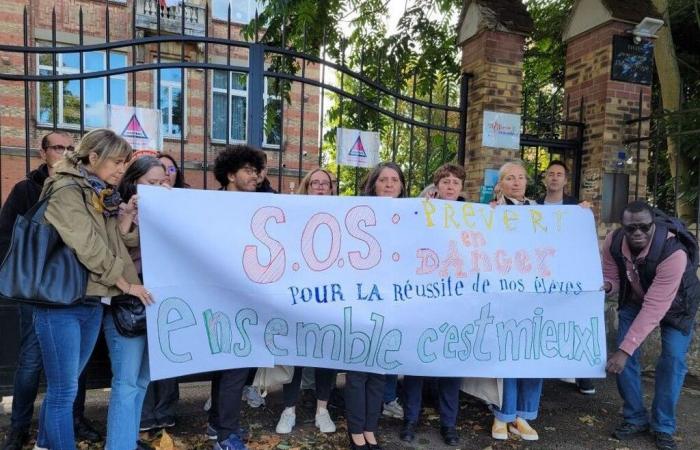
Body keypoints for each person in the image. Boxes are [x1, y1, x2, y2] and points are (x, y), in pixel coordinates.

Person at [35, 128, 152, 450]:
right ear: (93, 157)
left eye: (125, 163)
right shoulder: (65, 189)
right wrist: (127, 284)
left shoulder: (97, 191)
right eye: (117, 162)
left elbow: (114, 242)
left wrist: (128, 218)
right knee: (63, 391)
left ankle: (44, 443)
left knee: (65, 386)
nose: (121, 170)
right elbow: (87, 245)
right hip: (60, 301)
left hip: (89, 300)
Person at [0, 132, 101, 450]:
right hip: (39, 289)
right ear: (43, 152)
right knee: (30, 360)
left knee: (72, 370)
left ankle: (72, 421)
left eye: (71, 147)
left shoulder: (88, 188)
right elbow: (8, 236)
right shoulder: (27, 188)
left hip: (77, 288)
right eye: (58, 147)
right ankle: (19, 426)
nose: (65, 152)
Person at [603, 200, 699, 450]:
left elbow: (655, 307)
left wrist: (625, 351)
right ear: (622, 226)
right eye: (631, 228)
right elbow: (611, 275)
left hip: (677, 307)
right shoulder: (613, 241)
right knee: (625, 362)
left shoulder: (673, 252)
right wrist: (606, 286)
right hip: (634, 299)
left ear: (653, 224)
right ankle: (634, 417)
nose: (638, 233)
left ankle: (663, 425)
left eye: (644, 227)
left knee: (673, 360)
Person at [102, 157, 166, 449]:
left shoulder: (172, 210)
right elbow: (118, 250)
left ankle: (126, 440)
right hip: (128, 303)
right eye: (152, 183)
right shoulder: (117, 207)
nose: (159, 187)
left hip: (159, 305)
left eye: (163, 181)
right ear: (135, 181)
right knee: (126, 384)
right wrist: (131, 214)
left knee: (141, 382)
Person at [342, 161, 407, 450]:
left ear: (402, 185)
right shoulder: (355, 214)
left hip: (391, 305)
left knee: (380, 373)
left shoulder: (411, 216)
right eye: (384, 179)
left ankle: (371, 427)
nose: (390, 184)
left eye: (395, 179)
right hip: (359, 302)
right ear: (373, 184)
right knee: (357, 373)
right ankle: (356, 429)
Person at [400, 163, 465, 446]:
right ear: (437, 185)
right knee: (416, 363)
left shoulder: (475, 214)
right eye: (446, 181)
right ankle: (410, 419)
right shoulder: (419, 209)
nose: (451, 186)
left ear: (462, 187)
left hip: (458, 301)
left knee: (451, 366)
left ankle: (449, 424)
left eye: (456, 182)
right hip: (424, 298)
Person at [207, 145, 266, 450]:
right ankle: (225, 435)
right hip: (220, 298)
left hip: (248, 298)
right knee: (233, 368)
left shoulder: (257, 205)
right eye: (247, 170)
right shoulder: (209, 205)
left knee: (230, 369)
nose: (254, 176)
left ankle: (218, 425)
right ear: (230, 175)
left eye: (256, 171)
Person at [275, 168, 337, 435]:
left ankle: (322, 410)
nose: (321, 187)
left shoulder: (341, 213)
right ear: (306, 187)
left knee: (327, 355)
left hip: (331, 297)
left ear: (331, 188)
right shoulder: (293, 213)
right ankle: (288, 410)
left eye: (325, 183)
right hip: (298, 296)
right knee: (294, 354)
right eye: (315, 183)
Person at [490, 161, 542, 442]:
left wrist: (579, 213)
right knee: (508, 353)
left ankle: (524, 414)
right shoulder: (489, 210)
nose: (517, 182)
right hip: (505, 292)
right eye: (510, 178)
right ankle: (504, 414)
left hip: (536, 292)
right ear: (500, 184)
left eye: (521, 177)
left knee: (534, 353)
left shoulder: (540, 211)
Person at [535, 160, 595, 395]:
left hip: (568, 269)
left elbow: (585, 235)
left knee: (574, 318)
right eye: (550, 174)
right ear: (545, 178)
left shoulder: (576, 207)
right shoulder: (534, 205)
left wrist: (586, 213)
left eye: (559, 174)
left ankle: (584, 375)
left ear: (565, 180)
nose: (554, 178)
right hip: (540, 269)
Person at [140, 155, 183, 432]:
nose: (164, 177)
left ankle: (166, 410)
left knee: (170, 350)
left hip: (174, 288)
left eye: (169, 170)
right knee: (141, 356)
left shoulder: (184, 202)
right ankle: (144, 414)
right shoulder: (128, 205)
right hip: (139, 288)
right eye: (155, 177)